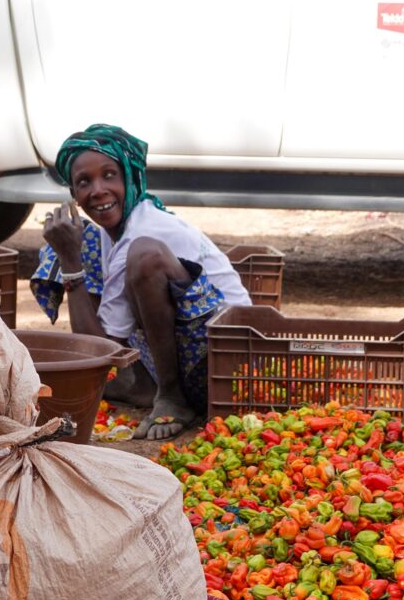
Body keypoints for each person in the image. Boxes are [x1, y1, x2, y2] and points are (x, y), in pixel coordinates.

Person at [32, 124, 251, 440]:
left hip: (227, 364)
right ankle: (146, 385)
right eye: (84, 182)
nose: (98, 190)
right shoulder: (116, 229)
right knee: (74, 239)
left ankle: (172, 396)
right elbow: (104, 347)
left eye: (109, 175)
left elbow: (101, 351)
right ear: (74, 196)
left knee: (142, 255)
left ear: (131, 178)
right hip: (191, 352)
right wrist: (68, 254)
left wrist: (71, 263)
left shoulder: (142, 231)